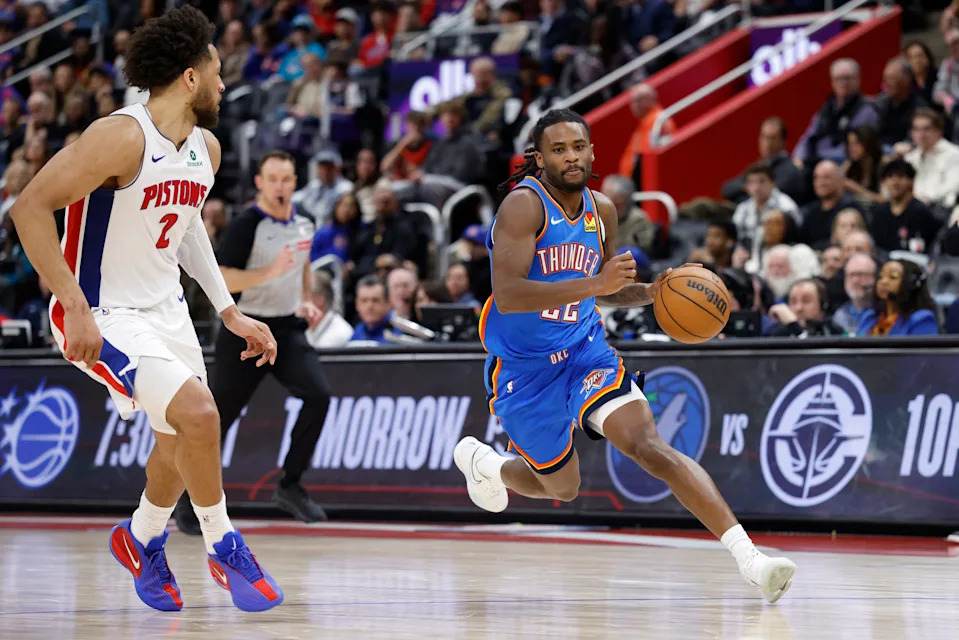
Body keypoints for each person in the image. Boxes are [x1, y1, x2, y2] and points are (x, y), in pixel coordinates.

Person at [453, 109, 796, 603]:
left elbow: (608, 291)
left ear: (592, 152)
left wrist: (653, 291)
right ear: (539, 157)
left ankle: (751, 559)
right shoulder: (522, 208)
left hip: (584, 352)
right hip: (524, 369)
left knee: (649, 446)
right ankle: (486, 463)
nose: (570, 156)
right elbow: (508, 294)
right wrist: (597, 284)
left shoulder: (602, 210)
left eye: (578, 146)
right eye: (558, 148)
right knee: (561, 489)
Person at [8, 7, 283, 612]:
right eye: (216, 71)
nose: (222, 83)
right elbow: (28, 208)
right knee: (201, 415)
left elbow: (185, 230)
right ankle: (223, 544)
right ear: (189, 77)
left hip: (165, 309)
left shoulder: (204, 149)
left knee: (177, 441)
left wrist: (228, 310)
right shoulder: (120, 136)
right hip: (102, 312)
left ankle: (139, 540)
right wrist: (72, 304)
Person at [174, 149, 332, 534]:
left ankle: (290, 485)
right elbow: (223, 278)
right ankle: (185, 501)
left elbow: (304, 268)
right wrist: (268, 272)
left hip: (287, 331)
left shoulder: (305, 223)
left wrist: (307, 300)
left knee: (318, 395)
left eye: (287, 179)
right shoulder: (247, 224)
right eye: (272, 179)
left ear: (295, 182)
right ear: (260, 183)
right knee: (216, 419)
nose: (280, 186)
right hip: (243, 330)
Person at [858, 259, 939, 336]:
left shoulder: (922, 319)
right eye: (880, 277)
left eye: (893, 277)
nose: (884, 281)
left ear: (911, 284)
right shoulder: (869, 317)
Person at [767, 279, 843, 337]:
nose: (798, 308)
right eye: (793, 302)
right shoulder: (779, 335)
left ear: (823, 305)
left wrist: (794, 326)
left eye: (806, 301)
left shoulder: (833, 331)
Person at [832, 252, 877, 334]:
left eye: (861, 274)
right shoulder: (840, 316)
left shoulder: (885, 313)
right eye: (851, 275)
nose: (855, 280)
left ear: (874, 277)